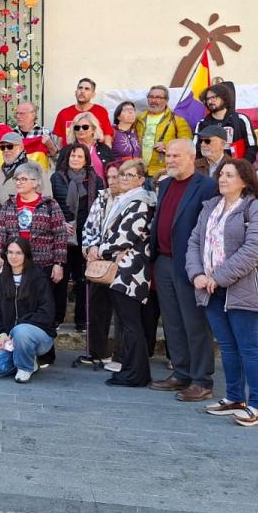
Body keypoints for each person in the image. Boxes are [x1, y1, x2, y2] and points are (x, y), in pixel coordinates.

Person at [187, 159, 258, 426]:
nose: (223, 179)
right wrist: (197, 274)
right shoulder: (211, 207)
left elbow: (257, 248)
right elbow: (194, 242)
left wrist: (219, 277)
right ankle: (235, 397)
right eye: (221, 174)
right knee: (227, 347)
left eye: (229, 175)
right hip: (211, 289)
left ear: (245, 180)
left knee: (250, 348)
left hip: (246, 290)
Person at [148, 138, 219, 400]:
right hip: (164, 261)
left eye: (177, 156)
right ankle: (181, 373)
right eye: (168, 156)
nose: (170, 160)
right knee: (172, 322)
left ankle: (202, 380)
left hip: (190, 264)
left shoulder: (207, 186)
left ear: (192, 157)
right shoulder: (165, 184)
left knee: (195, 323)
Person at [88, 158, 155, 388]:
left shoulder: (141, 202)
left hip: (131, 271)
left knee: (130, 323)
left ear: (141, 180)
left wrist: (100, 250)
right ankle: (131, 370)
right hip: (122, 269)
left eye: (130, 175)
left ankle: (136, 374)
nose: (124, 179)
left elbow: (126, 235)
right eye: (122, 175)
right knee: (127, 323)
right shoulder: (125, 200)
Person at [0, 159, 66, 331]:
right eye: (16, 179)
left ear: (35, 182)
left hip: (42, 264)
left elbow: (60, 235)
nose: (18, 182)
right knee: (18, 306)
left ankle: (45, 352)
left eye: (23, 179)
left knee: (42, 307)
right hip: (15, 265)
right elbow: (1, 232)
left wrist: (58, 264)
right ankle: (13, 341)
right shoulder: (9, 205)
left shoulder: (49, 205)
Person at [0, 238, 56, 383]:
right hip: (10, 338)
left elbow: (47, 313)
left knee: (21, 331)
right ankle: (28, 360)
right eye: (10, 252)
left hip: (38, 337)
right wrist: (2, 334)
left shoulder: (37, 276)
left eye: (18, 253)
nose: (13, 256)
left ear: (26, 255)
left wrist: (19, 326)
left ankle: (25, 368)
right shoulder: (3, 279)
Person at [51, 144, 103, 334]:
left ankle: (82, 320)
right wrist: (61, 222)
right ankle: (57, 317)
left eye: (80, 156)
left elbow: (99, 207)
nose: (75, 159)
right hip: (62, 233)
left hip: (86, 234)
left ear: (86, 160)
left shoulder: (95, 181)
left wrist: (90, 227)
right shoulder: (57, 178)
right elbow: (52, 202)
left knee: (82, 279)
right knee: (60, 278)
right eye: (73, 155)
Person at [80, 159, 122, 366]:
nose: (112, 181)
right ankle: (98, 351)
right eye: (110, 177)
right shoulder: (102, 198)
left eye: (117, 176)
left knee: (123, 311)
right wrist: (90, 248)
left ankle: (122, 355)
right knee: (97, 308)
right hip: (99, 260)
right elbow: (90, 226)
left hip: (123, 261)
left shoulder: (134, 200)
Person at [135, 85, 192, 179]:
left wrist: (167, 146)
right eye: (151, 97)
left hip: (163, 173)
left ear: (166, 100)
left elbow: (187, 143)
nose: (153, 100)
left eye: (158, 97)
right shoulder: (138, 119)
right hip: (140, 172)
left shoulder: (177, 120)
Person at [195, 81, 258, 163]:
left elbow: (252, 147)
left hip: (237, 168)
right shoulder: (202, 124)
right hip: (210, 170)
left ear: (224, 98)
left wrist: (241, 167)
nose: (210, 101)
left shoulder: (241, 119)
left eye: (214, 97)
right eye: (208, 99)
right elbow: (196, 150)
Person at [0, 131, 48, 203]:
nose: (6, 150)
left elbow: (46, 196)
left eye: (10, 146)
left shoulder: (34, 167)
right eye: (2, 147)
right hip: (1, 213)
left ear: (21, 147)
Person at [57, 113, 114, 181]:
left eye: (85, 127)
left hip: (102, 190)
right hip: (74, 191)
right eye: (77, 127)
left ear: (93, 129)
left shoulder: (104, 149)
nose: (81, 130)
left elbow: (114, 172)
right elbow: (58, 177)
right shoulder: (66, 150)